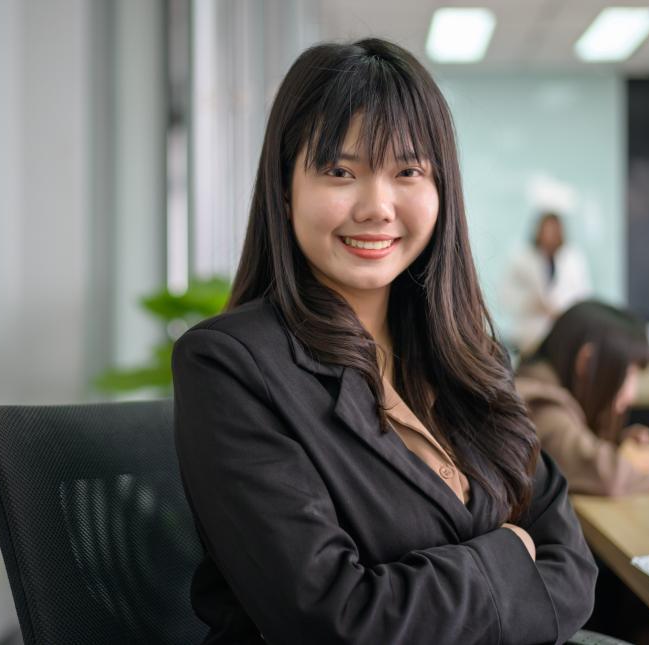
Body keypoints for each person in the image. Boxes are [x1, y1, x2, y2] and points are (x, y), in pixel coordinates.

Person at [172, 38, 597, 645]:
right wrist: (509, 556)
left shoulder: (465, 355)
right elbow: (332, 618)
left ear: (440, 190)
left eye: (407, 171)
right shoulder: (232, 365)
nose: (376, 207)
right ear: (285, 186)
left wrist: (441, 587)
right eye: (340, 171)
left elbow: (572, 566)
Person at [515, 301, 649, 496]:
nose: (631, 394)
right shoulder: (540, 404)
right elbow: (607, 476)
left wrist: (619, 445)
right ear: (587, 361)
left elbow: (576, 455)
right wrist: (635, 460)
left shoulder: (536, 382)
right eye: (629, 374)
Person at [501, 212, 592, 354]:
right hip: (529, 334)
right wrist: (532, 303)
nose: (549, 235)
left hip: (563, 332)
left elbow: (582, 296)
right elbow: (506, 296)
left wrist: (559, 310)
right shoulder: (522, 258)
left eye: (553, 230)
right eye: (546, 230)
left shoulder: (573, 259)